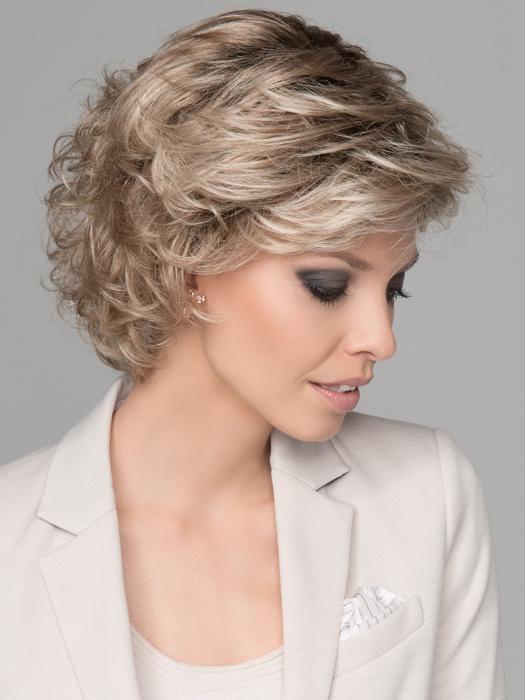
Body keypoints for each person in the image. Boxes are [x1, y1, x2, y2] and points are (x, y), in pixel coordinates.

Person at [0, 8, 506, 700]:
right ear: (187, 261)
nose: (381, 339)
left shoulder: (425, 496)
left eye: (393, 289)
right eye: (327, 285)